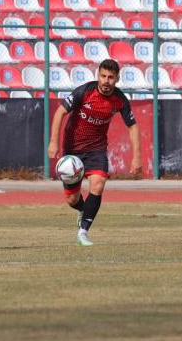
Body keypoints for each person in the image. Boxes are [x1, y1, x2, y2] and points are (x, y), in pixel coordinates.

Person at [48, 59, 141, 246]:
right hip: (73, 151)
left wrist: (136, 157)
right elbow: (59, 112)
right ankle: (83, 210)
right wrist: (53, 142)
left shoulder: (120, 100)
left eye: (111, 77)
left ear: (117, 79)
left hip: (96, 150)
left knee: (98, 184)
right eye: (103, 76)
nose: (106, 81)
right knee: (71, 198)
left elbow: (132, 126)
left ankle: (83, 233)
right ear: (98, 75)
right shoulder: (85, 91)